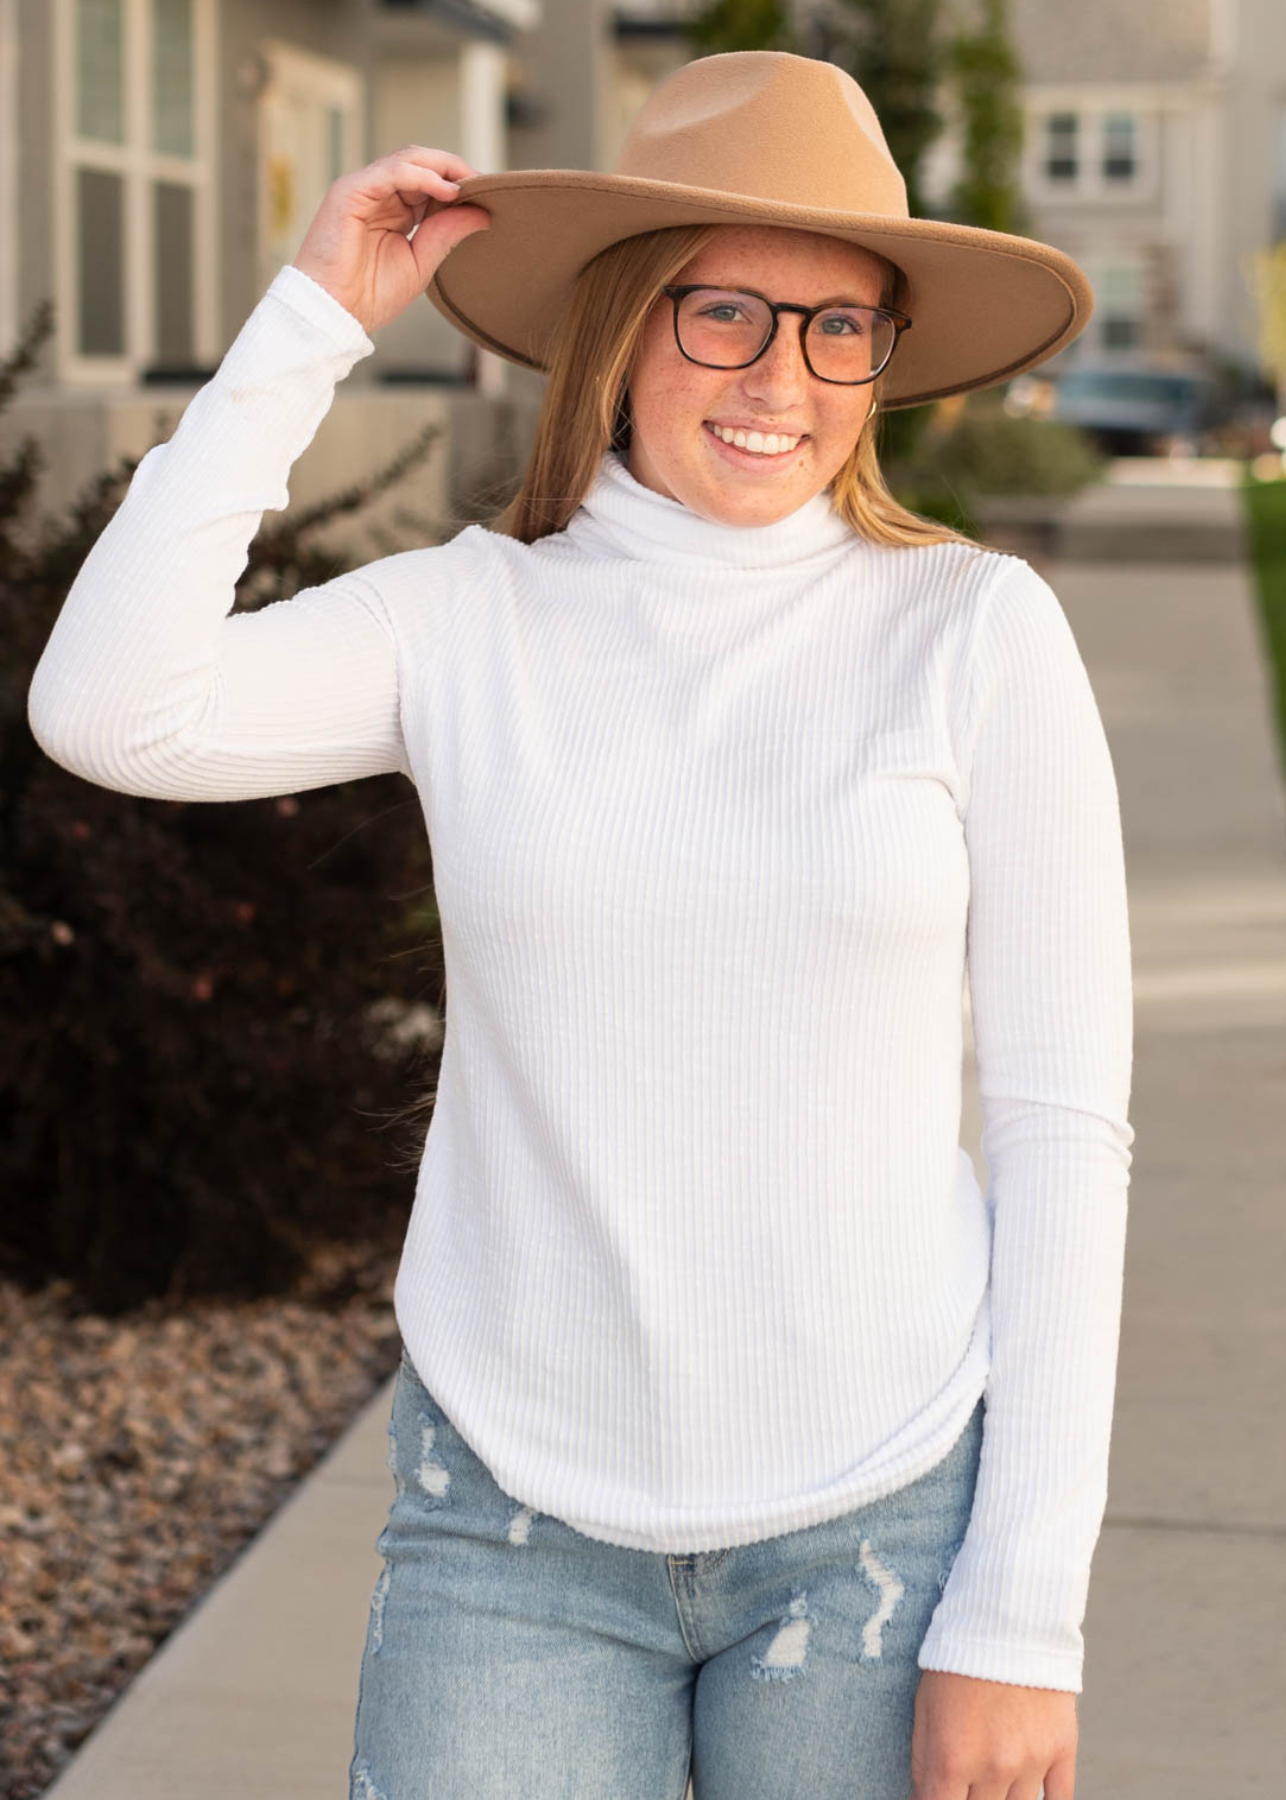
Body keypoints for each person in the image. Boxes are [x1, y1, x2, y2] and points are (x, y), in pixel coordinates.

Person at [27, 50, 1133, 1800]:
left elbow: (1067, 1130)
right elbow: (109, 709)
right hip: (511, 1535)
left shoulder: (973, 632)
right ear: (619, 326)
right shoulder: (470, 624)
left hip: (879, 1524)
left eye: (840, 329)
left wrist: (1020, 1616)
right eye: (727, 316)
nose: (784, 378)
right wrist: (310, 321)